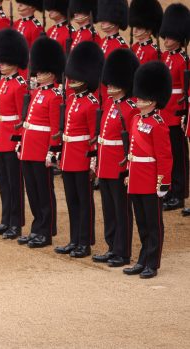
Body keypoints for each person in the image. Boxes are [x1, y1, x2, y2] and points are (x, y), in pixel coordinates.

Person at [123, 61, 173, 279]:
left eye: (143, 98)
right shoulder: (135, 119)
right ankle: (143, 258)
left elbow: (164, 156)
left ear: (153, 101)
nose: (139, 100)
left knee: (153, 224)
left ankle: (152, 262)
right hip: (136, 177)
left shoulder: (159, 124)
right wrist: (128, 172)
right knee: (142, 222)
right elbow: (131, 150)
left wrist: (162, 182)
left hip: (151, 178)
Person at [54, 41, 103, 258]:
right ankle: (74, 239)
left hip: (82, 158)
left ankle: (85, 242)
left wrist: (93, 162)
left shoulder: (91, 103)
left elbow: (94, 137)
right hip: (68, 157)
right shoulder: (72, 99)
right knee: (72, 201)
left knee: (85, 203)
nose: (73, 80)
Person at [92, 48, 139, 267]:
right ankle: (112, 246)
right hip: (106, 164)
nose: (109, 87)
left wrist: (128, 167)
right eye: (108, 84)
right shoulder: (110, 105)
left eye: (113, 84)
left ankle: (123, 252)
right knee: (109, 210)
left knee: (122, 211)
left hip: (119, 165)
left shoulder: (130, 109)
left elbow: (131, 142)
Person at [16, 36, 63, 248]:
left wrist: (53, 151)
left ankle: (46, 230)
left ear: (52, 74)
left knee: (44, 192)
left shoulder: (55, 96)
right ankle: (37, 227)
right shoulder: (36, 93)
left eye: (43, 72)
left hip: (42, 150)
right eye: (39, 71)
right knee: (33, 192)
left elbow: (54, 128)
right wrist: (20, 143)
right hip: (28, 148)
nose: (39, 75)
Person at [0, 28, 27, 240]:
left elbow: (21, 118)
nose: (0, 64)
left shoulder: (20, 85)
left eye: (4, 61)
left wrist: (19, 141)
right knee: (3, 182)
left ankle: (16, 224)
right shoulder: (1, 82)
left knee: (14, 184)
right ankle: (5, 220)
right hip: (0, 138)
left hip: (11, 140)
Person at [158, 4, 189, 212]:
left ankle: (179, 193)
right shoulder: (165, 57)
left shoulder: (183, 61)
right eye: (165, 37)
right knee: (167, 156)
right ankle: (169, 190)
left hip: (176, 116)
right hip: (163, 114)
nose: (166, 41)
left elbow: (185, 93)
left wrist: (184, 114)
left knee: (179, 157)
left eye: (170, 37)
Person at [128, 0, 162, 65]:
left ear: (149, 31)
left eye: (139, 28)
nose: (135, 30)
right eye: (134, 27)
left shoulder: (154, 52)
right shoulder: (134, 47)